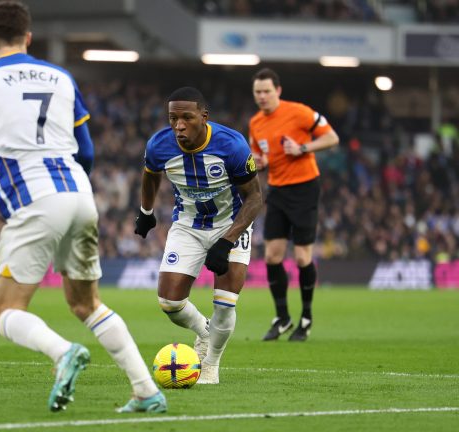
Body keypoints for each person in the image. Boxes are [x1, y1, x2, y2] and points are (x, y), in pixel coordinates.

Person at [0, 1, 165, 413]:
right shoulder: (62, 77)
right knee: (87, 303)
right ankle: (146, 390)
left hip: (34, 199)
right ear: (28, 37)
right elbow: (86, 149)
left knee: (3, 312)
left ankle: (64, 352)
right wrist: (76, 187)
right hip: (80, 196)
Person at [134, 87, 263, 385]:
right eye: (173, 118)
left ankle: (210, 365)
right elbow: (150, 174)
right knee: (169, 302)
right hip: (188, 224)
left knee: (225, 301)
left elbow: (255, 198)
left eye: (187, 118)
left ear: (204, 117)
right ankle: (205, 331)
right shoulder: (158, 146)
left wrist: (227, 240)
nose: (179, 125)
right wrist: (146, 211)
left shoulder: (231, 145)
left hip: (230, 224)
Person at [249, 68, 339, 342]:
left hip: (305, 188)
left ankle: (306, 318)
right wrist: (260, 163)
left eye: (266, 91)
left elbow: (332, 138)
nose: (262, 96)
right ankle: (282, 317)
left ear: (278, 90)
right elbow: (258, 155)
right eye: (257, 92)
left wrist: (302, 149)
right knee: (272, 257)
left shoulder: (299, 112)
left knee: (302, 257)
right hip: (277, 189)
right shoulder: (255, 123)